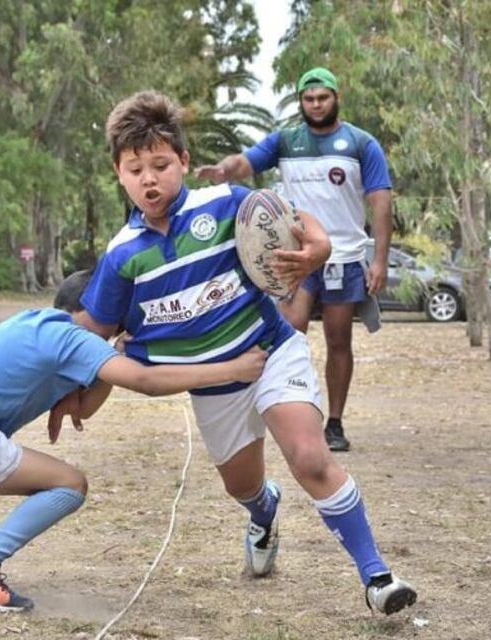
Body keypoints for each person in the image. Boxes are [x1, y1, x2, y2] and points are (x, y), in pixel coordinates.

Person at [68, 91, 415, 615]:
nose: (149, 179)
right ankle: (263, 511)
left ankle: (377, 578)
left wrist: (318, 248)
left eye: (161, 165)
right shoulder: (121, 258)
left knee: (309, 457)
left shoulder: (226, 203)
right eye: (135, 170)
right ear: (118, 173)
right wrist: (56, 378)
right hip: (214, 384)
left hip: (270, 351)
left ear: (184, 161)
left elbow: (297, 220)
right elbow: (94, 332)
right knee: (241, 485)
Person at [0, 270, 267, 612]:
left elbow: (84, 408)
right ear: (102, 304)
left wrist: (113, 355)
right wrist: (231, 370)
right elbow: (146, 381)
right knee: (70, 484)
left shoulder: (39, 323)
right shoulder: (73, 339)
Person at [196, 67, 393, 452]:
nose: (316, 104)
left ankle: (334, 423)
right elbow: (245, 162)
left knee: (339, 339)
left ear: (336, 98)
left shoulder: (361, 143)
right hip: (296, 255)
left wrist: (380, 260)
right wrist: (224, 169)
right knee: (288, 333)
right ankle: (288, 412)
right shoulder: (286, 140)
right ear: (301, 102)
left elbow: (381, 201)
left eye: (322, 97)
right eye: (308, 98)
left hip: (343, 256)